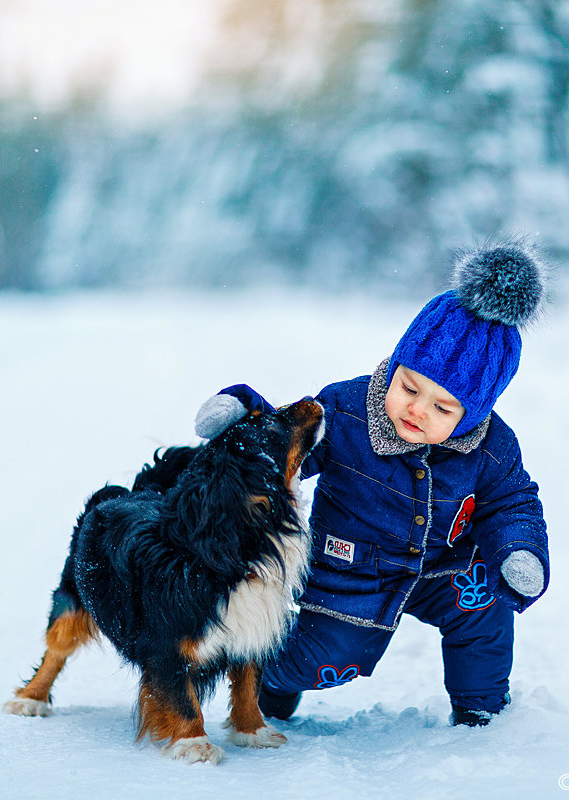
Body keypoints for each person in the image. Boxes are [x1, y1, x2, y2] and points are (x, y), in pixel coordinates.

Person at [194, 240, 549, 727]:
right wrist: (243, 412)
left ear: (475, 414)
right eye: (409, 387)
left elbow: (511, 503)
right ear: (396, 367)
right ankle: (271, 682)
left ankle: (481, 713)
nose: (416, 409)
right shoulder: (347, 411)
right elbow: (287, 437)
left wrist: (519, 551)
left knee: (482, 605)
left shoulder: (493, 447)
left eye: (443, 408)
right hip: (350, 571)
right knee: (329, 659)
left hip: (443, 566)